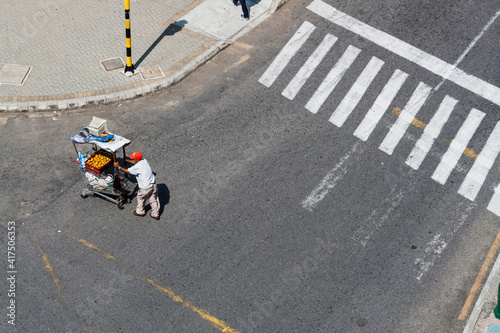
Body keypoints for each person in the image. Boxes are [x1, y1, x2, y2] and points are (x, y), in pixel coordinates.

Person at [114, 151, 160, 220]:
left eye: (133, 158)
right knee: (154, 199)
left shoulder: (138, 167)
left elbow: (127, 171)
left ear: (137, 159)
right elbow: (135, 162)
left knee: (140, 198)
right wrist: (127, 160)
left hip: (145, 187)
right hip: (153, 185)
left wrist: (118, 167)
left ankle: (140, 212)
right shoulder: (144, 160)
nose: (133, 160)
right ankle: (155, 214)